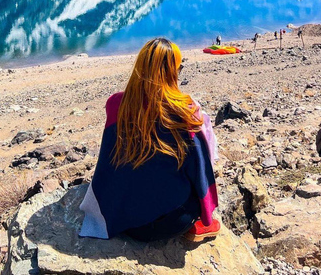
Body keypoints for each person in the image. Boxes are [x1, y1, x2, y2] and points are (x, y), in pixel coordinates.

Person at [79, 38, 220, 242]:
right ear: (173, 72)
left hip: (119, 218)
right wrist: (206, 213)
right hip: (168, 224)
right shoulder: (186, 112)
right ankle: (201, 227)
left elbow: (108, 158)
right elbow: (200, 169)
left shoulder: (116, 104)